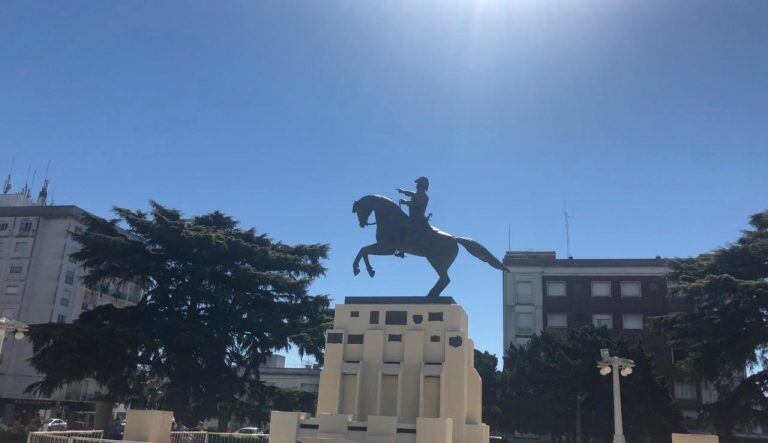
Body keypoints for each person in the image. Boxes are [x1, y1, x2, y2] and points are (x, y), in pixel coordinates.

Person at [394, 176, 431, 257]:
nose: (416, 186)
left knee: (402, 227)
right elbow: (411, 193)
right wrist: (403, 191)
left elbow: (416, 204)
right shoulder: (418, 194)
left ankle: (402, 250)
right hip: (413, 217)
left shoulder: (424, 197)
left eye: (418, 184)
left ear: (422, 186)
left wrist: (405, 202)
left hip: (417, 218)